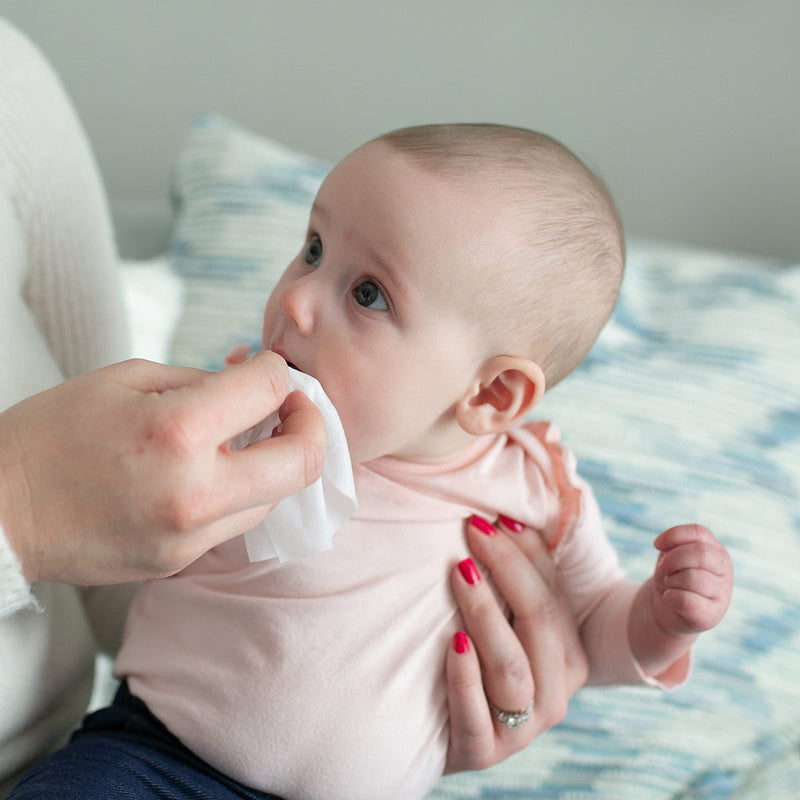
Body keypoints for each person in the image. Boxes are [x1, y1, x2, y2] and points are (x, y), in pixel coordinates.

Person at [9, 122, 734, 800]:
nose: (295, 299)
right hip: (156, 761)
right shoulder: (237, 413)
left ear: (493, 392)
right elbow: (123, 520)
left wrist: (660, 620)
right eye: (314, 248)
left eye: (367, 293)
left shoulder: (538, 488)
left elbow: (592, 632)